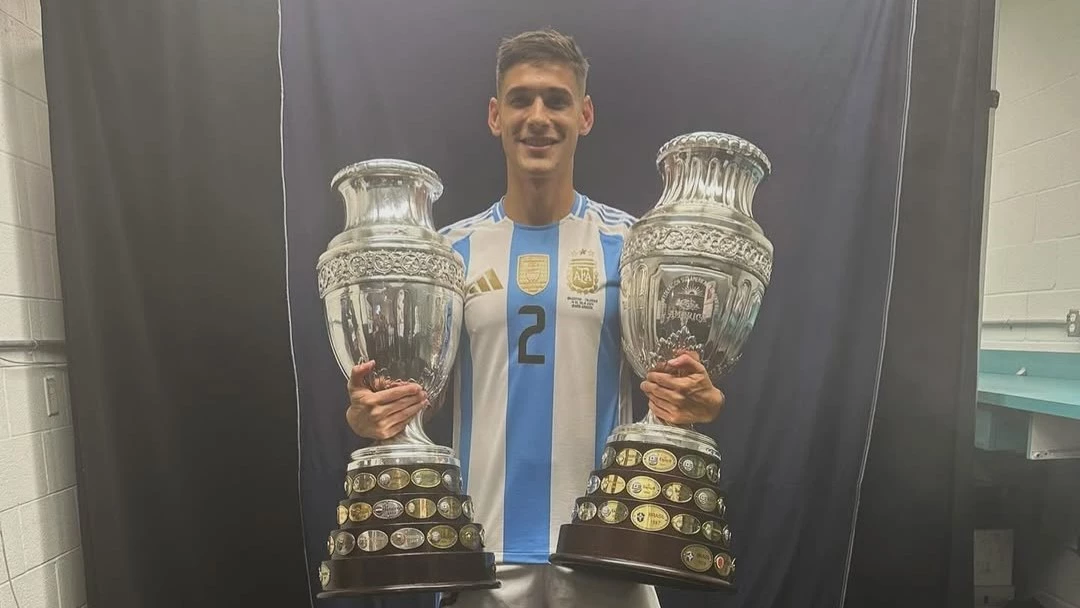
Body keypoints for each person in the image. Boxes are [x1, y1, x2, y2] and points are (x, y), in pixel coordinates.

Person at [345, 28, 725, 608]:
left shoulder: (636, 247)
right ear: (496, 116)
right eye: (521, 100)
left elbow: (676, 384)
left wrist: (701, 401)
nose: (538, 117)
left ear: (585, 114)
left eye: (557, 99)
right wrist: (375, 413)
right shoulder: (445, 254)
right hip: (480, 555)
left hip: (607, 550)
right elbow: (423, 398)